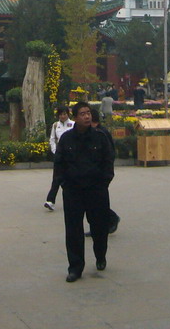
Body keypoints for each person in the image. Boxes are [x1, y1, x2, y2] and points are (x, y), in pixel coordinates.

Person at [52, 101, 114, 282]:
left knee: (100, 228)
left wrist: (104, 183)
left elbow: (108, 161)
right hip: (73, 191)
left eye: (88, 113)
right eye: (82, 114)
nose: (87, 116)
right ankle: (75, 267)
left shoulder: (100, 137)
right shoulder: (66, 139)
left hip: (96, 190)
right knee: (73, 231)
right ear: (75, 117)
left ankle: (100, 256)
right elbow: (59, 163)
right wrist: (64, 184)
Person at [88, 108, 120, 235]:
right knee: (93, 201)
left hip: (101, 174)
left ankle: (111, 219)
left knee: (96, 201)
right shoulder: (91, 132)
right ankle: (98, 226)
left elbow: (109, 155)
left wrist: (106, 173)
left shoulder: (101, 133)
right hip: (92, 173)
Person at [44, 106, 74, 211]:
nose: (63, 116)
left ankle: (72, 200)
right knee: (56, 179)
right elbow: (52, 139)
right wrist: (55, 151)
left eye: (64, 114)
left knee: (69, 180)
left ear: (68, 114)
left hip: (71, 156)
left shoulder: (73, 125)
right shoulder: (55, 125)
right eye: (61, 114)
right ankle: (50, 201)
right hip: (59, 156)